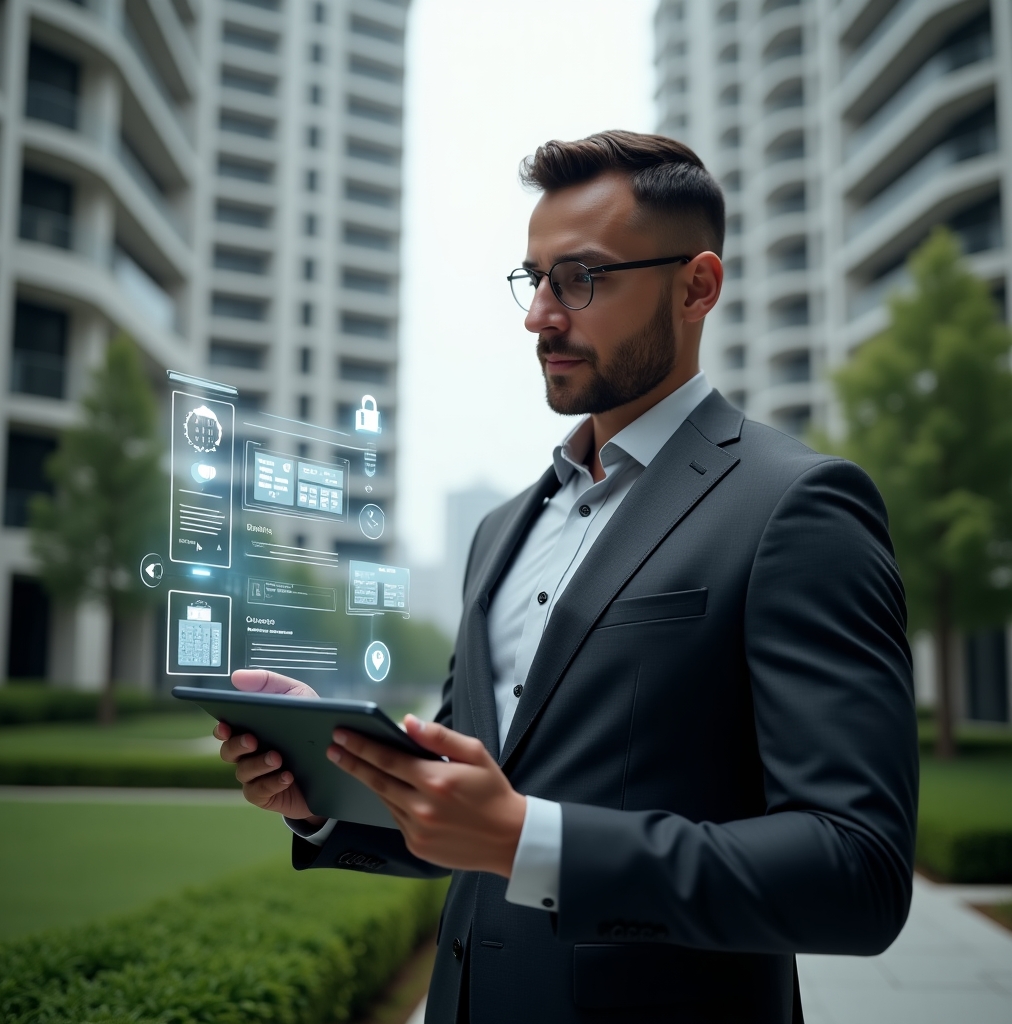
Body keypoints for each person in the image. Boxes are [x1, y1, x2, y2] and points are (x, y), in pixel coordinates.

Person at [217, 131, 918, 1024]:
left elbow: (856, 870)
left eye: (580, 279)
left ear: (698, 285)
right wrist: (320, 790)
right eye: (535, 278)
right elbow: (467, 806)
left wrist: (528, 839)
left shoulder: (800, 506)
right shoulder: (501, 532)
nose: (540, 315)